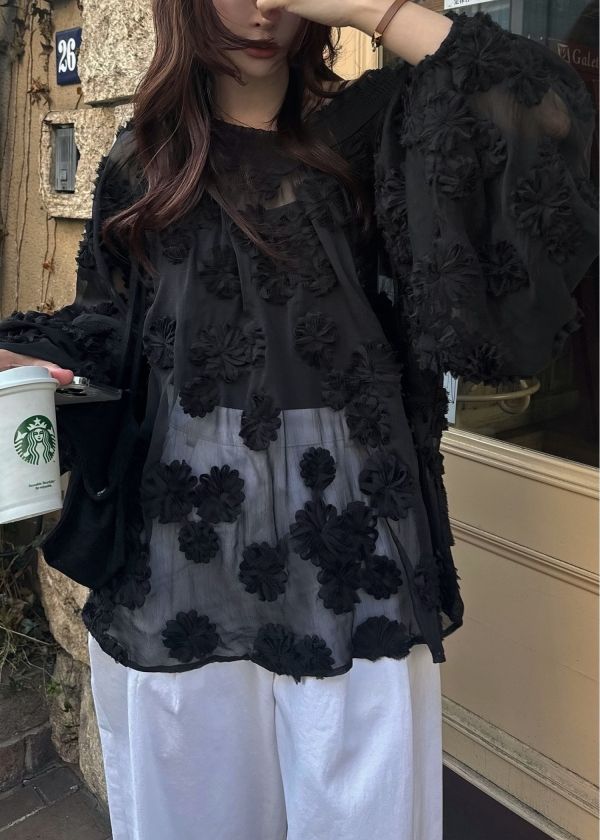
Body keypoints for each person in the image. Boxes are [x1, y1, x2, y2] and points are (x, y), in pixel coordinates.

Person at [0, 1, 597, 838]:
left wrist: (373, 8)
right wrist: (28, 357)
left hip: (352, 563)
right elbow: (112, 327)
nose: (261, 9)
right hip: (178, 566)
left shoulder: (378, 132)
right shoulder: (142, 163)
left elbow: (550, 111)